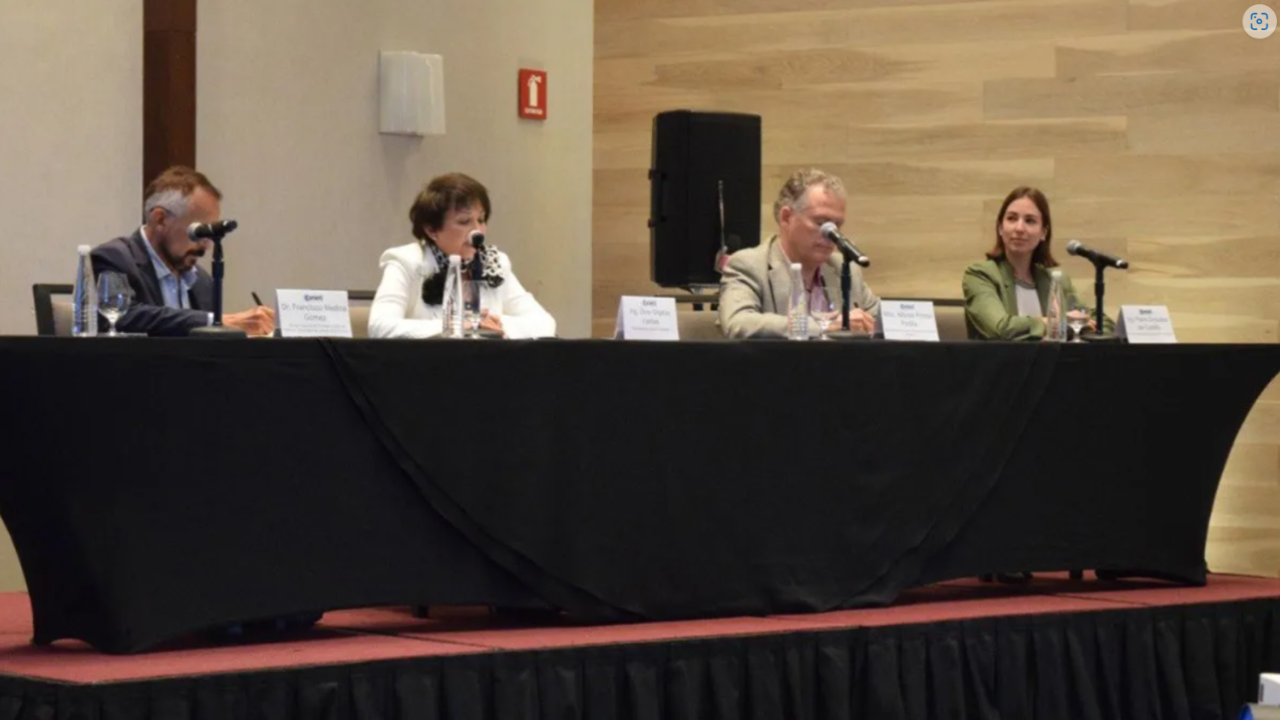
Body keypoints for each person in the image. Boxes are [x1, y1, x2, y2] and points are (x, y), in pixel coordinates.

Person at [90, 166, 276, 337]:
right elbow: (121, 317)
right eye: (199, 232)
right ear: (160, 219)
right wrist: (213, 322)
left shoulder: (201, 281)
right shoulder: (114, 258)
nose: (207, 245)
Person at [368, 173, 556, 339]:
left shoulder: (494, 262)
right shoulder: (407, 261)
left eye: (481, 219)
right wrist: (454, 326)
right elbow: (379, 326)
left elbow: (544, 323)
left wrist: (492, 323)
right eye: (464, 221)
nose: (477, 231)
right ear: (432, 229)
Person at [719, 169, 879, 338]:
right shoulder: (748, 265)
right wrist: (823, 326)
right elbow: (738, 322)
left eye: (837, 226)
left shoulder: (844, 268)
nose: (831, 236)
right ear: (786, 217)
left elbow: (883, 319)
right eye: (821, 223)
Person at [962, 186, 1112, 341]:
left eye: (1030, 221)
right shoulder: (980, 275)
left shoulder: (1056, 279)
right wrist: (1056, 322)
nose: (1019, 228)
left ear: (1043, 233)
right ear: (1000, 227)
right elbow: (999, 329)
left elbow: (1103, 324)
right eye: (1012, 218)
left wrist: (1078, 325)